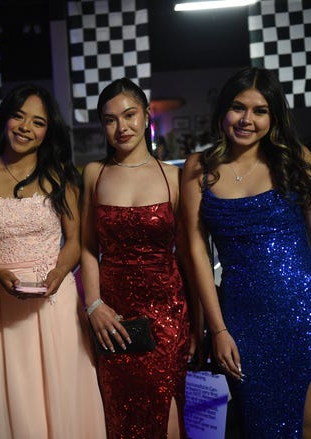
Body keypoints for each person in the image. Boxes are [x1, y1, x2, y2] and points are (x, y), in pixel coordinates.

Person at [181, 67, 311, 438]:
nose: (247, 119)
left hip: (305, 313)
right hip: (241, 323)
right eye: (238, 108)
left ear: (273, 118)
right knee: (259, 428)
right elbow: (197, 254)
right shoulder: (198, 169)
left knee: (310, 427)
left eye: (260, 111)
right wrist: (217, 329)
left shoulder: (295, 159)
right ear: (223, 111)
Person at [0, 83, 106, 438]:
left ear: (47, 132)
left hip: (56, 299)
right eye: (18, 116)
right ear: (4, 119)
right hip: (4, 301)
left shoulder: (60, 176)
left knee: (66, 394)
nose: (25, 127)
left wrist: (58, 273)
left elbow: (76, 241)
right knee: (19, 404)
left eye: (37, 122)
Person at [80, 77, 199, 439]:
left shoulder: (174, 177)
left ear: (146, 115)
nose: (121, 127)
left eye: (129, 115)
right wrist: (94, 304)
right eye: (110, 119)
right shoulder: (94, 174)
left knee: (169, 418)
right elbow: (87, 246)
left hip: (168, 312)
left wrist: (199, 323)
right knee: (121, 417)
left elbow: (191, 256)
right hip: (112, 317)